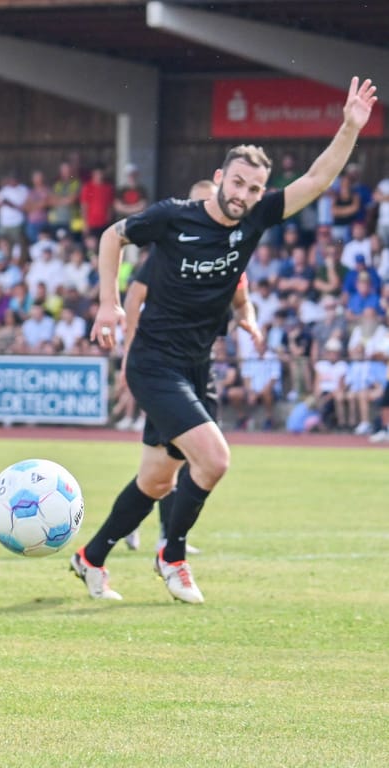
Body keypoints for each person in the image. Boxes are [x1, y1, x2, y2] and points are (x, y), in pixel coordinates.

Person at [73, 76, 377, 604]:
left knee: (155, 482)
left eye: (254, 188)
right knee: (214, 460)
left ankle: (90, 558)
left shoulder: (256, 219)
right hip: (154, 363)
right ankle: (173, 556)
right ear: (219, 178)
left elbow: (317, 179)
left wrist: (349, 127)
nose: (244, 195)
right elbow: (111, 236)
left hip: (197, 366)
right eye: (237, 183)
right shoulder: (173, 218)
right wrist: (108, 301)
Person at [119, 178, 229, 554]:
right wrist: (129, 359)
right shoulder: (169, 248)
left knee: (168, 465)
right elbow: (134, 298)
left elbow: (240, 297)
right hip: (163, 364)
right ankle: (160, 536)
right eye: (196, 204)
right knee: (169, 462)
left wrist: (249, 315)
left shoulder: (224, 253)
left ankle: (146, 532)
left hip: (194, 365)